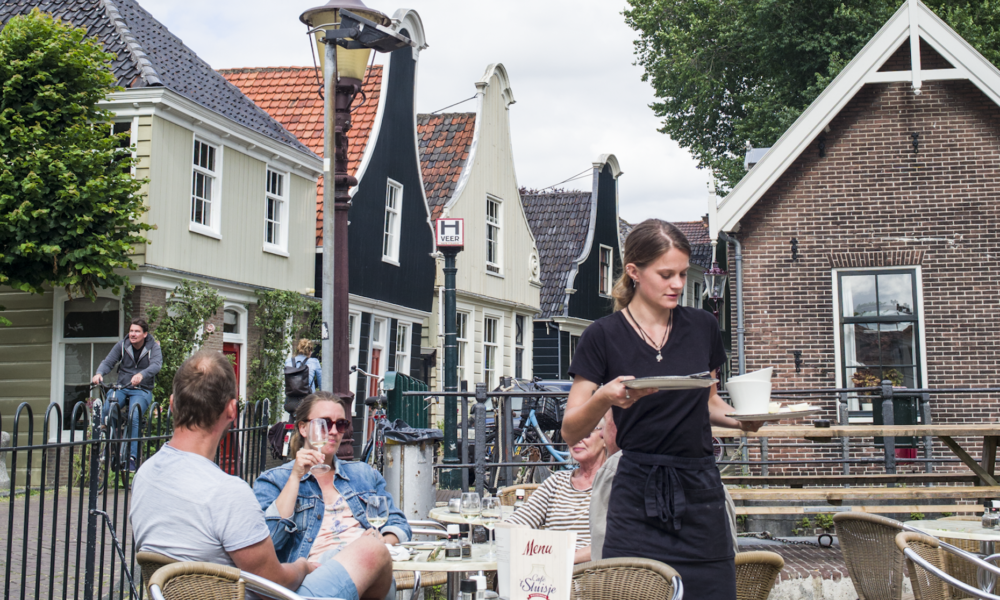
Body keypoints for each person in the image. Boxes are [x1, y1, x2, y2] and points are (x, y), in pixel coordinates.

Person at [561, 219, 762, 599]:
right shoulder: (602, 336)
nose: (678, 285)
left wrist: (745, 420)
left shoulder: (703, 326)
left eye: (683, 274)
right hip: (636, 495)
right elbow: (571, 430)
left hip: (700, 493)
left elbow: (710, 403)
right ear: (634, 272)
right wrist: (605, 397)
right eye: (666, 274)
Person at [130, 351, 393, 600]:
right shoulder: (226, 491)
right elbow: (275, 580)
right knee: (373, 551)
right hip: (269, 594)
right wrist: (302, 566)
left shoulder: (144, 476)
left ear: (173, 404)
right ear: (232, 411)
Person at [254, 391, 411, 566]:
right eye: (324, 424)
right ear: (303, 428)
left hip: (368, 564)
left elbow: (399, 523)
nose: (334, 431)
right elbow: (268, 542)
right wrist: (295, 478)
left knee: (378, 567)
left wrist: (382, 543)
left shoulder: (364, 474)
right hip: (315, 573)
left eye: (341, 424)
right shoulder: (275, 480)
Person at [589, 408, 739, 561]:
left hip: (637, 579)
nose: (601, 434)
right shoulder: (704, 470)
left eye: (606, 424)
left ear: (619, 425)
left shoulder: (614, 469)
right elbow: (730, 553)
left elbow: (602, 559)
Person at [506, 421, 606, 564]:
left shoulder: (614, 484)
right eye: (572, 433)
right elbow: (516, 523)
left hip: (596, 578)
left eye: (586, 433)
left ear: (604, 437)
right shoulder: (557, 482)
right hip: (549, 575)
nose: (577, 439)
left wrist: (563, 558)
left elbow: (617, 543)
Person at [91, 318, 162, 471]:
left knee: (134, 415)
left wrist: (142, 375)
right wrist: (99, 374)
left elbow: (156, 365)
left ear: (144, 334)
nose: (133, 334)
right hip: (123, 386)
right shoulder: (123, 345)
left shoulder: (153, 347)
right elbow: (108, 361)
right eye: (131, 331)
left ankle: (132, 457)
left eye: (137, 331)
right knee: (107, 408)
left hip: (142, 389)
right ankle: (111, 444)